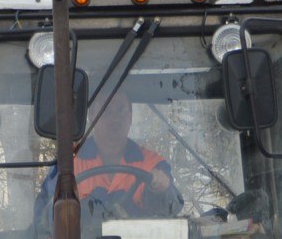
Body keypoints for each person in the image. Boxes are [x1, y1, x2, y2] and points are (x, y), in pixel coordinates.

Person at [42, 89, 184, 220]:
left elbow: (171, 209)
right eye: (106, 111)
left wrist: (162, 190)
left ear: (130, 117)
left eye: (121, 110)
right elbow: (46, 221)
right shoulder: (67, 166)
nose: (115, 118)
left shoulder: (153, 164)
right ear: (92, 116)